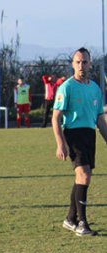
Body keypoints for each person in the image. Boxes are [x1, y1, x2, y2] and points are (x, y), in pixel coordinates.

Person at [53, 48, 107, 237]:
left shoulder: (94, 88)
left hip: (89, 134)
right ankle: (82, 223)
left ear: (89, 63)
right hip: (73, 134)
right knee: (83, 174)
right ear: (72, 64)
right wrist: (61, 143)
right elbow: (56, 118)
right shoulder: (66, 87)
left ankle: (70, 219)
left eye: (84, 62)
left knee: (83, 178)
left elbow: (100, 119)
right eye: (77, 62)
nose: (81, 65)